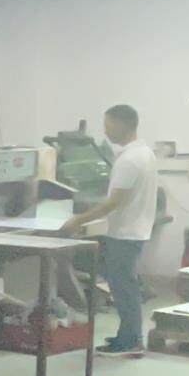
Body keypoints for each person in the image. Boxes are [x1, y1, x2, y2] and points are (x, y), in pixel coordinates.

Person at [63, 104, 158, 357]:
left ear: (121, 124)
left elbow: (113, 202)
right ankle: (128, 336)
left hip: (125, 233)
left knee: (123, 288)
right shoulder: (145, 153)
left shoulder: (129, 160)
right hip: (135, 229)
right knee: (125, 286)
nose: (105, 131)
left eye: (107, 125)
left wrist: (78, 220)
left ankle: (130, 341)